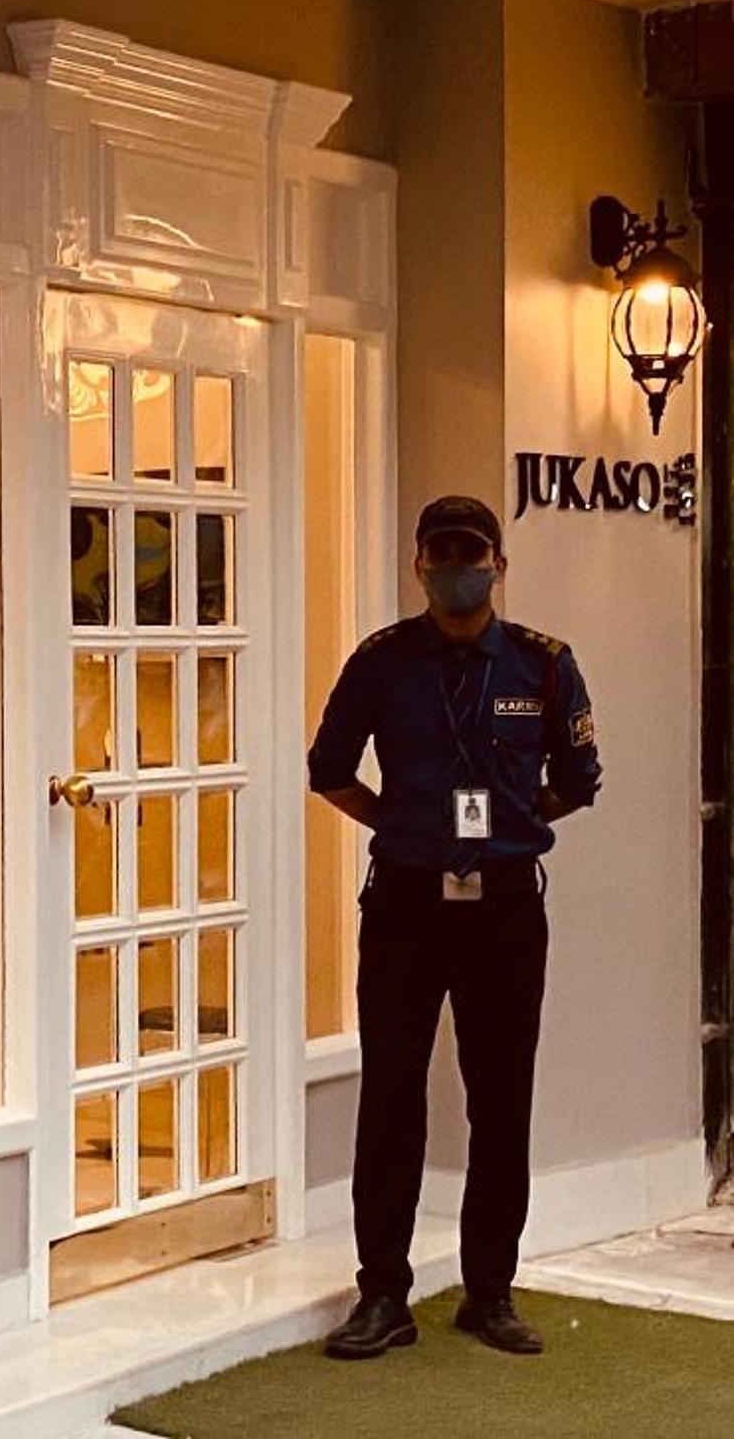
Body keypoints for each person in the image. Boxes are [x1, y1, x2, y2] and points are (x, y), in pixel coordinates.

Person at [305, 491, 599, 1361]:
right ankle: (381, 1295)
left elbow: (578, 779)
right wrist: (408, 827)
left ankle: (490, 1292)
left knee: (501, 1100)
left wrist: (509, 825)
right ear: (420, 565)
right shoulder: (382, 663)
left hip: (504, 907)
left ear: (498, 565)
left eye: (471, 553)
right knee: (390, 1098)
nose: (456, 568)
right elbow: (330, 769)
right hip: (405, 903)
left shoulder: (545, 665)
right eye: (441, 554)